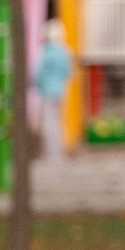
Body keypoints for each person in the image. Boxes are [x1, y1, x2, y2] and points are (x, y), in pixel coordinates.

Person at [35, 18, 73, 161]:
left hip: (47, 91)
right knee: (58, 122)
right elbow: (68, 72)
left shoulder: (45, 52)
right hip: (61, 91)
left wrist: (38, 85)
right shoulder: (65, 51)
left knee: (48, 123)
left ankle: (50, 154)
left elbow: (37, 73)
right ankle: (59, 152)